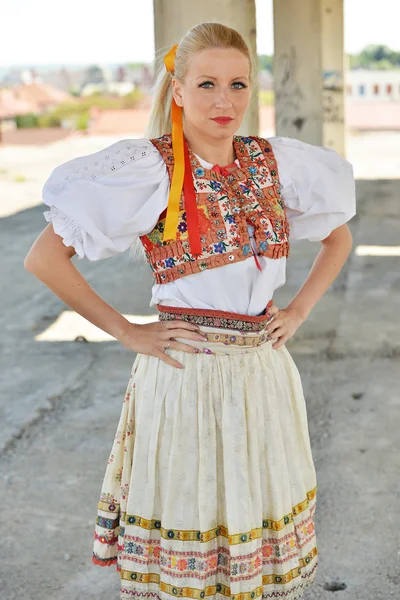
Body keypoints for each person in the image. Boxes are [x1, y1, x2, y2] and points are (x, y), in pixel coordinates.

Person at [24, 21, 356, 600]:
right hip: (187, 375)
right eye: (206, 84)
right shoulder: (150, 169)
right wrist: (127, 331)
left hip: (264, 373)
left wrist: (299, 310)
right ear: (177, 91)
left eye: (238, 84)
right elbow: (44, 258)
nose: (224, 101)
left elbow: (339, 239)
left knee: (255, 526)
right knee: (194, 523)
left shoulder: (274, 163)